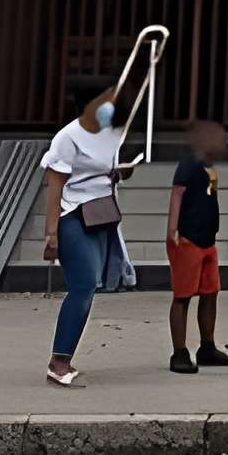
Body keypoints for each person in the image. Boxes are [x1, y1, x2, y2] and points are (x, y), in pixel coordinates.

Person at [37, 77, 137, 388]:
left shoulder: (112, 133)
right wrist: (51, 232)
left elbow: (111, 170)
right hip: (72, 216)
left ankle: (64, 356)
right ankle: (59, 361)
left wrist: (123, 170)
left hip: (101, 215)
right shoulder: (68, 137)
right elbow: (55, 186)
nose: (111, 105)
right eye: (106, 98)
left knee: (90, 285)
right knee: (82, 285)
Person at [166, 118, 228, 373]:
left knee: (210, 292)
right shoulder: (188, 165)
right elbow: (177, 193)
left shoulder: (208, 167)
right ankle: (179, 352)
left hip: (208, 241)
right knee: (182, 296)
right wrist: (173, 229)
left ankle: (207, 346)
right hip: (188, 239)